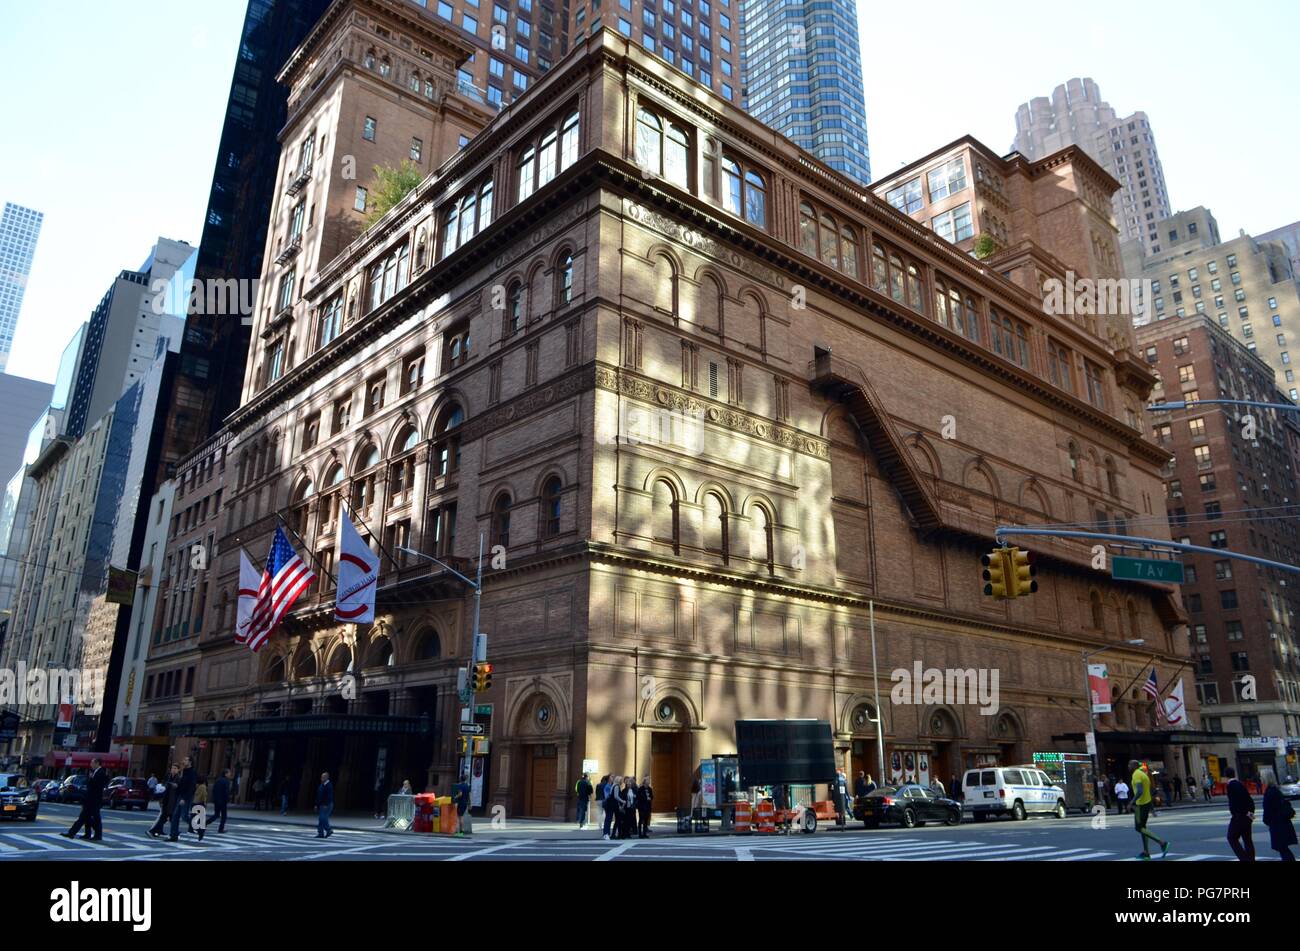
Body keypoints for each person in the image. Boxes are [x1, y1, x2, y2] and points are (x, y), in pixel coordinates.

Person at [1129, 759, 1169, 860]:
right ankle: (1146, 853)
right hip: (1146, 804)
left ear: (1134, 766)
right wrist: (1152, 809)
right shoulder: (1144, 775)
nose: (1128, 766)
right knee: (1143, 828)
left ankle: (1162, 843)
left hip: (1140, 805)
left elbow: (1140, 791)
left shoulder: (1136, 774)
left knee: (1138, 828)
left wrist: (1131, 802)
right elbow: (1149, 792)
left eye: (1129, 764)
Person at [62, 759, 108, 841]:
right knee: (87, 818)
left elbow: (96, 787)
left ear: (97, 763)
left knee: (87, 818)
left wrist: (90, 779)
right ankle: (87, 834)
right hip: (90, 800)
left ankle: (73, 833)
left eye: (92, 763)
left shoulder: (101, 773)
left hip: (94, 800)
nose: (91, 764)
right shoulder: (96, 772)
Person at [1224, 768, 1255, 861]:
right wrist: (1251, 814)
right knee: (1247, 839)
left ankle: (1244, 858)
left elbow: (1234, 802)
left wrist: (1235, 813)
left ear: (1226, 775)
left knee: (1231, 837)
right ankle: (1251, 859)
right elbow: (1249, 799)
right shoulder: (1240, 784)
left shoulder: (1231, 785)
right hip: (1247, 815)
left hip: (1239, 815)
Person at [1262, 779, 1296, 861]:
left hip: (1277, 823)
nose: (1260, 780)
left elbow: (1268, 809)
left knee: (1281, 847)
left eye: (1262, 777)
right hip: (1282, 822)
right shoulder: (1275, 790)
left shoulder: (1270, 792)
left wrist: (1266, 820)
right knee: (1282, 847)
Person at [168, 757, 198, 842]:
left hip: (186, 797)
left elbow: (191, 787)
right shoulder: (184, 771)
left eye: (185, 760)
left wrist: (184, 798)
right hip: (180, 796)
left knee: (184, 816)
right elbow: (183, 785)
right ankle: (173, 836)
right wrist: (177, 786)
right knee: (175, 816)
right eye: (183, 759)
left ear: (190, 762)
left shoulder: (192, 773)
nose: (183, 761)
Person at [148, 765, 180, 837]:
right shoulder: (169, 777)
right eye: (172, 768)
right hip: (167, 801)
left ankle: (155, 831)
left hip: (173, 802)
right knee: (166, 818)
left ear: (178, 770)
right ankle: (157, 831)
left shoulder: (178, 779)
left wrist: (175, 786)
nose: (173, 770)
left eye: (175, 768)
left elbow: (179, 788)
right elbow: (165, 789)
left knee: (168, 818)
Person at [315, 772, 335, 839]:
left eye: (323, 777)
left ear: (327, 777)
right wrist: (316, 804)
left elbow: (329, 796)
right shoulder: (322, 785)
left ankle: (328, 830)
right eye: (321, 777)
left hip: (327, 804)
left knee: (323, 818)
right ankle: (320, 833)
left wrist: (326, 804)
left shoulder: (329, 785)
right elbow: (319, 796)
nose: (321, 778)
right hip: (321, 804)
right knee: (321, 819)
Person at [451, 772, 471, 837]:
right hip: (465, 803)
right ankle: (461, 831)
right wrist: (470, 803)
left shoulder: (460, 786)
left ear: (460, 779)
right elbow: (469, 795)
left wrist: (455, 797)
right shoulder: (467, 786)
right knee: (461, 816)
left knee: (459, 817)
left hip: (461, 803)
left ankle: (459, 832)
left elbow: (460, 794)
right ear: (465, 779)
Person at [212, 769, 231, 834]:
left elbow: (214, 790)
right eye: (229, 773)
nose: (230, 774)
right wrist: (227, 799)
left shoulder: (218, 780)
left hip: (216, 800)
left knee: (216, 815)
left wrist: (214, 799)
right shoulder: (226, 781)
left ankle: (205, 823)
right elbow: (226, 792)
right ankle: (221, 829)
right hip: (223, 801)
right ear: (225, 774)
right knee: (224, 816)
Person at [191, 775, 208, 841]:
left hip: (195, 803)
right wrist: (204, 803)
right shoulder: (203, 787)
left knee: (196, 819)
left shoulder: (197, 786)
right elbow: (204, 796)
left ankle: (200, 831)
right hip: (200, 803)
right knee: (200, 819)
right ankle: (201, 832)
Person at [601, 774, 616, 840]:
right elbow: (606, 796)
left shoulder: (612, 785)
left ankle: (607, 833)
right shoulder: (607, 786)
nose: (613, 778)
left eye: (613, 777)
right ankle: (606, 834)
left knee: (609, 819)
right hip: (608, 804)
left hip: (611, 804)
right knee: (608, 819)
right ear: (609, 778)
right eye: (612, 777)